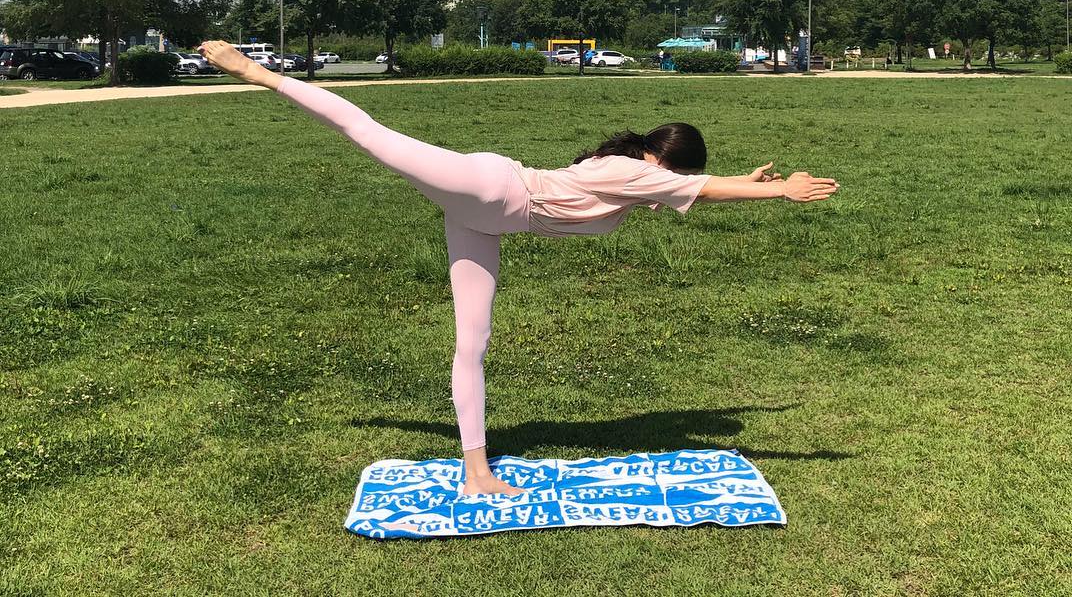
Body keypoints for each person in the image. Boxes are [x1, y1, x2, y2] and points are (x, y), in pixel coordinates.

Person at [197, 40, 839, 497]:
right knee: (366, 131)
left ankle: (477, 470)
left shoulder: (636, 178)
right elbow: (693, 190)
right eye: (680, 176)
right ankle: (255, 72)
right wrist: (778, 192)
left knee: (471, 343)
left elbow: (689, 190)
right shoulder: (630, 171)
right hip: (489, 187)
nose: (673, 187)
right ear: (663, 163)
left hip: (487, 222)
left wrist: (746, 181)